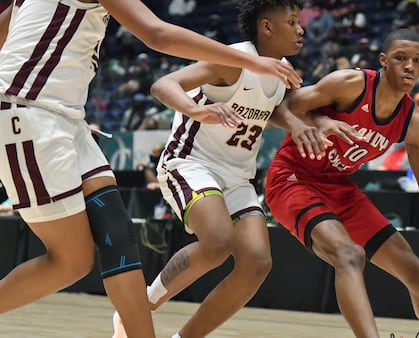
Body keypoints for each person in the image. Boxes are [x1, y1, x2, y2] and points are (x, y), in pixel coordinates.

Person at [0, 0, 300, 337]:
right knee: (71, 262)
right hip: (28, 114)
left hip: (68, 120)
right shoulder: (246, 58)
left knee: (119, 239)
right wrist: (249, 60)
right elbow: (157, 34)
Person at [265, 29, 419, 338]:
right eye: (401, 58)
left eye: (417, 61)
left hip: (339, 186)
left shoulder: (413, 122)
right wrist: (321, 122)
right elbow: (277, 106)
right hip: (293, 177)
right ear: (383, 61)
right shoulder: (351, 84)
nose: (410, 66)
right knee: (350, 255)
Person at [112, 1, 318, 337]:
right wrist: (196, 110)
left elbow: (270, 106)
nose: (301, 29)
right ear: (266, 27)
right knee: (218, 241)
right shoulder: (232, 60)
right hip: (191, 161)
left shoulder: (281, 70)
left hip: (237, 175)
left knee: (256, 263)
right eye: (292, 21)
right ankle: (137, 308)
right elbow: (164, 85)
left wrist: (294, 122)